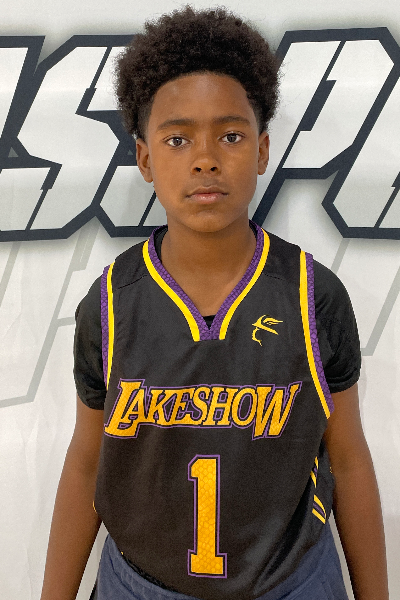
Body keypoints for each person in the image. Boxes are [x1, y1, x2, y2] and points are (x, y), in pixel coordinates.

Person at [40, 6, 389, 600]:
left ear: (262, 150)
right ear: (145, 159)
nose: (205, 158)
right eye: (178, 139)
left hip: (291, 582)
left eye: (230, 135)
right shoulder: (111, 303)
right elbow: (86, 461)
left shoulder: (314, 296)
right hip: (141, 584)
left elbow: (349, 458)